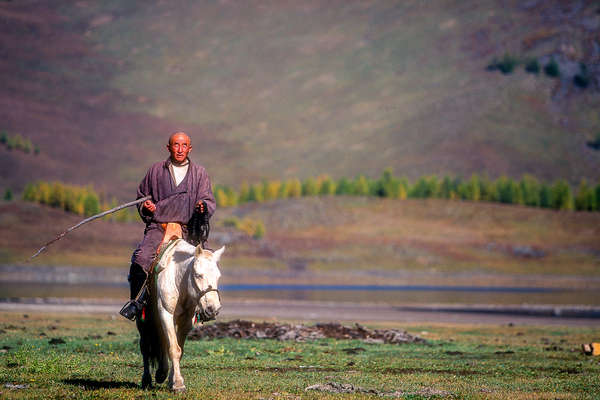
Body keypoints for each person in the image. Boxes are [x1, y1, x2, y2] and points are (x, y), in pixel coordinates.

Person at [120, 132, 216, 320]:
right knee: (141, 257)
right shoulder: (155, 171)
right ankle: (135, 303)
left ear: (190, 148)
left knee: (206, 262)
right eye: (176, 145)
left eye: (184, 145)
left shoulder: (200, 173)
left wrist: (202, 206)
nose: (180, 149)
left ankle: (204, 308)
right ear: (168, 147)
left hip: (188, 230)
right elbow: (142, 196)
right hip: (159, 227)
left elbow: (208, 200)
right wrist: (146, 207)